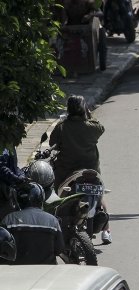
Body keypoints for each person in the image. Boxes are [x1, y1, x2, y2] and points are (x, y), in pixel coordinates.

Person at [49, 95, 111, 244]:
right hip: (91, 169)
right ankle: (107, 231)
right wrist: (89, 115)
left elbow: (52, 142)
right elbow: (101, 128)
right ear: (85, 109)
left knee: (59, 197)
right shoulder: (92, 127)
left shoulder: (62, 127)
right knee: (99, 194)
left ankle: (60, 227)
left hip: (66, 172)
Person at [1, 183, 64, 265]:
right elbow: (60, 249)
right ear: (41, 198)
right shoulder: (53, 221)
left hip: (16, 272)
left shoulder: (9, 219)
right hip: (46, 272)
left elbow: (3, 249)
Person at [0, 145, 26, 219]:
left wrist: (21, 174)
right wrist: (16, 179)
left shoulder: (10, 144)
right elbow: (1, 169)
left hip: (10, 190)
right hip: (3, 193)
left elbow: (14, 167)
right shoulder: (3, 144)